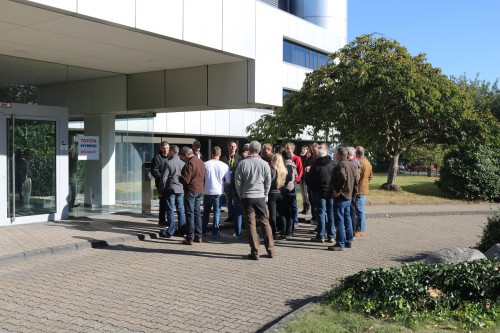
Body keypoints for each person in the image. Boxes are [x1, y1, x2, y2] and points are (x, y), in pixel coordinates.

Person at [235, 141, 274, 260]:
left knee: (251, 224)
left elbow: (237, 182)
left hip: (247, 196)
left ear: (249, 149)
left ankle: (255, 251)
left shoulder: (242, 163)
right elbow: (268, 181)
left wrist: (241, 194)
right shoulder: (264, 164)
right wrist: (265, 194)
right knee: (265, 222)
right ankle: (270, 249)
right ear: (259, 150)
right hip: (260, 196)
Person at [328, 146, 358, 251]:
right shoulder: (351, 164)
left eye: (336, 153)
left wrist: (337, 191)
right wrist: (354, 192)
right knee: (347, 218)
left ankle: (340, 243)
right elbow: (355, 179)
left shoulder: (341, 165)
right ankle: (348, 240)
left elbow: (342, 177)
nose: (335, 155)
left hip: (341, 196)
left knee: (340, 220)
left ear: (340, 155)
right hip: (349, 196)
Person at [308, 144, 335, 243]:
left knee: (321, 213)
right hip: (330, 191)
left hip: (319, 191)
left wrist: (312, 188)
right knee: (331, 212)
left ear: (318, 156)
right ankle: (331, 235)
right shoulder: (333, 164)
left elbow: (310, 180)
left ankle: (320, 235)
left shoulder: (315, 165)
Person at [179, 146, 205, 245]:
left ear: (186, 154)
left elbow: (186, 180)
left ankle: (189, 237)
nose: (183, 158)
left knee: (190, 214)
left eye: (183, 156)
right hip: (200, 190)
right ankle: (199, 236)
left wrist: (179, 178)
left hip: (191, 190)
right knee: (197, 213)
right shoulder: (201, 162)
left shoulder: (189, 163)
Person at [158, 145, 186, 238]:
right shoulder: (183, 163)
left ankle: (170, 231)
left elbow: (163, 179)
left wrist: (161, 190)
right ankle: (181, 230)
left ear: (172, 152)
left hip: (171, 189)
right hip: (180, 189)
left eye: (169, 151)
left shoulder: (168, 163)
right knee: (180, 210)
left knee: (170, 210)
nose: (168, 152)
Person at [202, 146, 230, 238]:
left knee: (206, 211)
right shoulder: (225, 166)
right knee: (217, 211)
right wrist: (223, 184)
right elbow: (228, 181)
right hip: (219, 191)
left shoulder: (205, 164)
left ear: (211, 153)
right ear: (220, 154)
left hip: (207, 190)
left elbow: (202, 178)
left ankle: (203, 230)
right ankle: (215, 232)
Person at [278, 150, 298, 238]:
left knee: (284, 212)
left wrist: (283, 183)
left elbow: (289, 176)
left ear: (283, 157)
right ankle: (289, 231)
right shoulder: (293, 165)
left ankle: (285, 231)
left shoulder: (287, 165)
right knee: (290, 212)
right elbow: (296, 176)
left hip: (286, 191)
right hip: (292, 190)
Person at [220, 141, 241, 222]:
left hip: (235, 183)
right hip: (227, 183)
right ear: (228, 147)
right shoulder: (224, 158)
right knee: (229, 200)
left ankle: (236, 217)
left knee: (236, 201)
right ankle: (230, 216)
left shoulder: (239, 158)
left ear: (236, 147)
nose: (232, 148)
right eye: (231, 146)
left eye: (234, 146)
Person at [355, 146, 373, 236]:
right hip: (364, 188)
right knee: (360, 209)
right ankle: (359, 228)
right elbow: (370, 176)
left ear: (357, 153)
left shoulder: (359, 163)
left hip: (359, 190)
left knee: (359, 210)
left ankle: (360, 229)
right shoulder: (368, 163)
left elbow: (356, 177)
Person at [284, 142, 303, 230]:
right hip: (284, 185)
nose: (286, 149)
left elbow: (300, 171)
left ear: (292, 149)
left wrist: (295, 181)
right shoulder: (284, 159)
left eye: (288, 148)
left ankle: (295, 221)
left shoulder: (296, 158)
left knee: (294, 204)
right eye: (286, 148)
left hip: (292, 184)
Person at [268, 153, 287, 239]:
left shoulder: (271, 170)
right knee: (282, 214)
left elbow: (268, 182)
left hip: (272, 193)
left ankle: (273, 231)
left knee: (272, 214)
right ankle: (283, 232)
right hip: (281, 193)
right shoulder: (284, 170)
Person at [151, 141, 170, 226]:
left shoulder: (170, 157)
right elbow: (154, 171)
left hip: (170, 184)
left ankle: (169, 219)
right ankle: (161, 220)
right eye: (164, 148)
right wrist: (162, 178)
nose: (166, 150)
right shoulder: (157, 157)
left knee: (169, 202)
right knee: (162, 203)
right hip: (161, 184)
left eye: (167, 148)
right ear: (161, 148)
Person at [347, 146, 361, 238]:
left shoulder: (352, 163)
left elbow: (355, 179)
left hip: (351, 191)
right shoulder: (356, 162)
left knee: (351, 212)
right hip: (352, 191)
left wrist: (355, 191)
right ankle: (352, 232)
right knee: (352, 212)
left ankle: (351, 233)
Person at [299, 145, 311, 214]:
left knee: (306, 194)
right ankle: (304, 208)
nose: (303, 150)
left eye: (304, 149)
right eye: (302, 149)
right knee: (303, 194)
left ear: (307, 150)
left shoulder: (308, 157)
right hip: (301, 177)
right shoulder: (300, 157)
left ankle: (308, 209)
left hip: (306, 177)